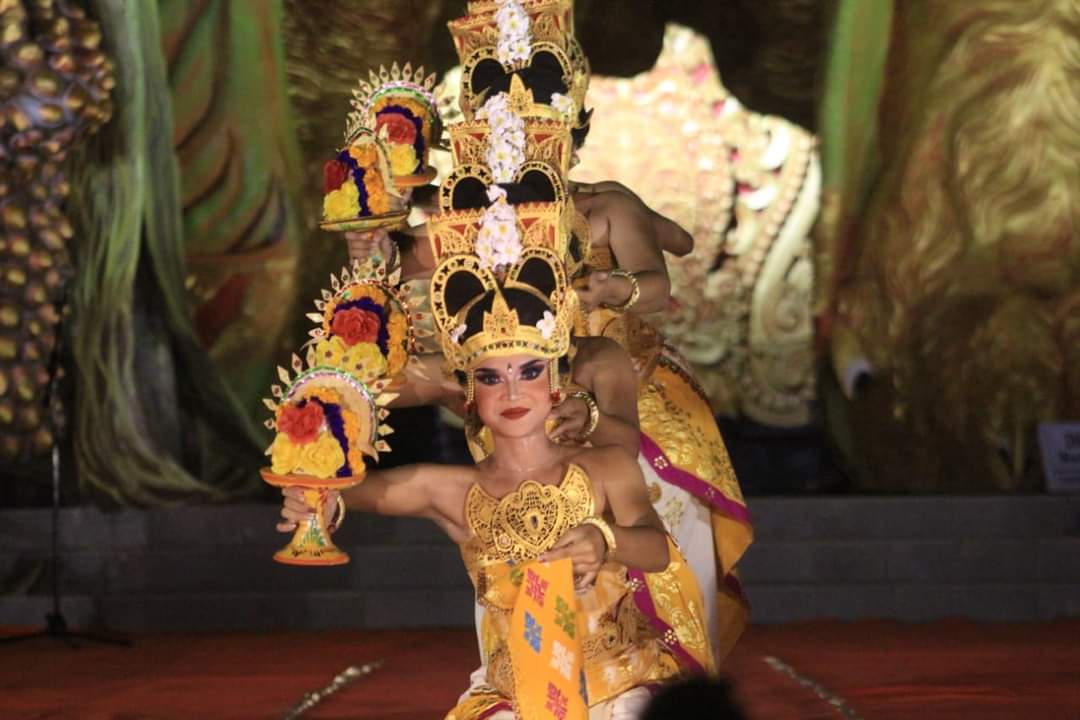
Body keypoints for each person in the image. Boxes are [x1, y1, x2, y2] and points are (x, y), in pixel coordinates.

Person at [278, 250, 713, 719]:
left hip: (623, 688)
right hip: (517, 700)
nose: (512, 392)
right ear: (469, 389)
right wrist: (317, 500)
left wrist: (605, 538)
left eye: (528, 371)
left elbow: (658, 550)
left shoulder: (605, 466)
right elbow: (349, 491)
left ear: (554, 380)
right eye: (490, 377)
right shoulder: (451, 489)